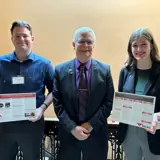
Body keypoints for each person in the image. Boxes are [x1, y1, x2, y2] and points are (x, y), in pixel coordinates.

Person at [53, 27, 114, 160]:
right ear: (73, 44)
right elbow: (58, 104)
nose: (86, 46)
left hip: (96, 135)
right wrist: (73, 128)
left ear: (94, 45)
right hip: (68, 136)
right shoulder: (59, 71)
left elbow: (108, 102)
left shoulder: (105, 71)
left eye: (89, 42)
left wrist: (89, 125)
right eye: (81, 41)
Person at [0, 20, 54, 160]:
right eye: (17, 36)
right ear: (12, 39)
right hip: (4, 128)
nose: (21, 39)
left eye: (25, 36)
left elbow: (55, 91)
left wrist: (41, 109)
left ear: (32, 38)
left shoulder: (44, 65)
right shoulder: (1, 63)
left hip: (32, 127)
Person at [117, 28, 160, 160]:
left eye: (143, 44)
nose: (139, 49)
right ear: (130, 48)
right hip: (129, 132)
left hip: (154, 132)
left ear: (151, 45)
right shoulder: (125, 71)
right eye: (135, 45)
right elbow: (121, 99)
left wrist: (158, 116)